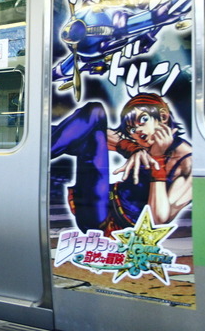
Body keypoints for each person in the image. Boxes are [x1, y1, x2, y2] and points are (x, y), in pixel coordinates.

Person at [51, 92, 192, 234]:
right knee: (93, 114)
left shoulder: (187, 164)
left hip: (106, 222)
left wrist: (157, 159)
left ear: (163, 117)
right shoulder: (147, 140)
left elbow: (158, 219)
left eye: (143, 119)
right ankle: (43, 147)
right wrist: (132, 148)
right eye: (132, 129)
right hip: (97, 201)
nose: (137, 131)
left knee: (91, 117)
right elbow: (93, 130)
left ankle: (42, 150)